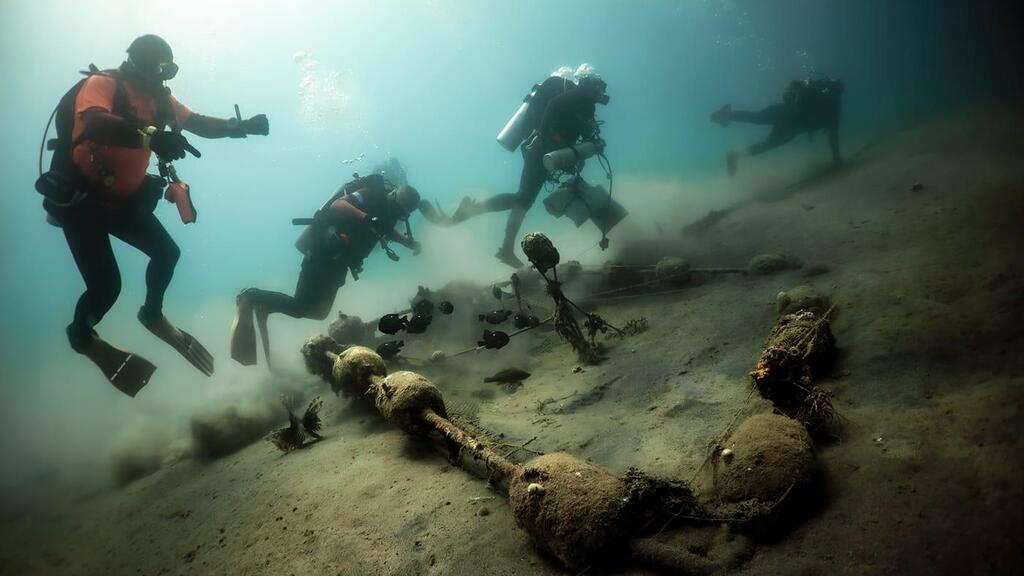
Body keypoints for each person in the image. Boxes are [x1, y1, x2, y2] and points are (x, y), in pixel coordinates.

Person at [41, 34, 270, 396]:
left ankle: (152, 313)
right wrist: (150, 137)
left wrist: (237, 127)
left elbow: (195, 122)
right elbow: (97, 122)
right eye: (159, 67)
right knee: (106, 287)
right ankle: (82, 336)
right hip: (82, 203)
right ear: (140, 62)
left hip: (123, 201)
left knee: (167, 253)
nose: (163, 77)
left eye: (168, 69)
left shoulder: (160, 98)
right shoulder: (104, 83)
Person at [230, 178, 423, 366]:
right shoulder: (371, 195)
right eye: (399, 210)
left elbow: (386, 231)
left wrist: (408, 243)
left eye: (403, 214)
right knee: (299, 307)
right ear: (393, 197)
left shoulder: (388, 213)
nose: (399, 215)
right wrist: (366, 217)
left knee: (320, 312)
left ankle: (268, 305)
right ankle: (250, 296)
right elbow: (337, 205)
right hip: (320, 254)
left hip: (339, 265)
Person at [451, 71, 610, 268]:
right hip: (540, 148)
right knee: (523, 199)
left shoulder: (587, 106)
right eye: (599, 88)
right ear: (590, 85)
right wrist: (543, 139)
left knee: (524, 200)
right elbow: (553, 106)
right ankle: (476, 215)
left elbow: (584, 131)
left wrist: (586, 149)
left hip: (550, 152)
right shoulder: (578, 95)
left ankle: (505, 248)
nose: (600, 94)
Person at [710, 76, 844, 176]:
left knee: (757, 118)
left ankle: (727, 115)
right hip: (792, 126)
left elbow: (792, 90)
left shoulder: (815, 92)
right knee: (766, 144)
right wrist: (836, 159)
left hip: (784, 112)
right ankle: (735, 154)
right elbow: (833, 136)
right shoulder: (833, 110)